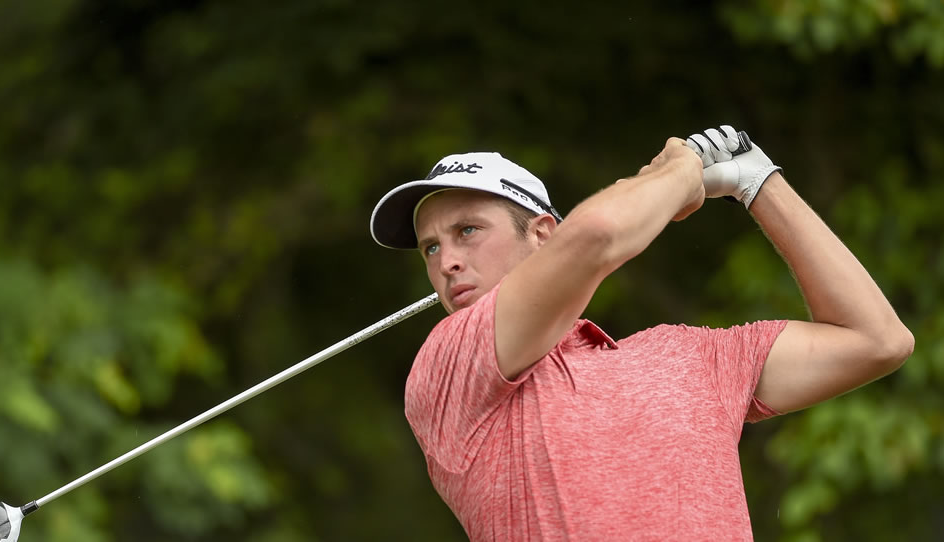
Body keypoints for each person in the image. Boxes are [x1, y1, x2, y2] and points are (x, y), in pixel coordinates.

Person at [368, 126, 914, 541]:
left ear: (541, 235)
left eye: (467, 231)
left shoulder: (689, 356)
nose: (447, 262)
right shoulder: (450, 365)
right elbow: (598, 235)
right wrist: (680, 171)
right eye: (432, 247)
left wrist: (758, 183)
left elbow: (877, 340)